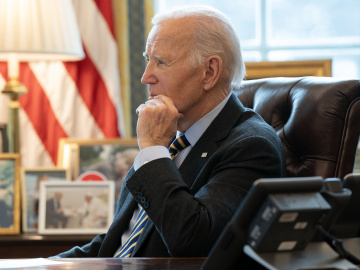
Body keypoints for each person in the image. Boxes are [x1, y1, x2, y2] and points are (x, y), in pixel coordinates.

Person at [54, 5, 285, 258]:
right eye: (148, 60)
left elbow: (192, 239)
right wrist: (43, 265)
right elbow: (121, 240)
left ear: (209, 72)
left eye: (161, 62)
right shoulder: (172, 140)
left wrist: (153, 148)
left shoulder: (251, 146)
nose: (146, 77)